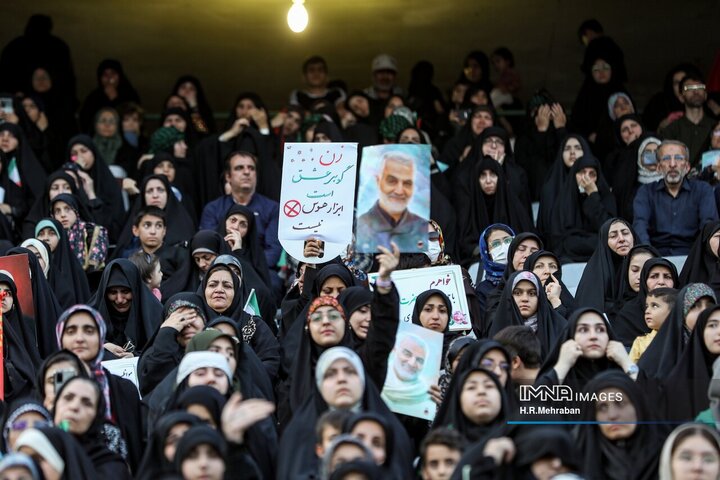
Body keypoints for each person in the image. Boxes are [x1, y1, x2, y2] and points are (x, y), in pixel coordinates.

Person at [199, 151, 282, 292]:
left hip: (259, 270)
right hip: (219, 267)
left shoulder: (272, 208)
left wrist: (246, 266)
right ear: (228, 176)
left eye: (251, 168)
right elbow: (208, 247)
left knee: (273, 282)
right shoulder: (213, 208)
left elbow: (273, 252)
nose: (246, 172)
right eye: (239, 168)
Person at [633, 140, 718, 255]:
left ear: (687, 167)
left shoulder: (702, 190)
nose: (672, 164)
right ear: (658, 167)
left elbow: (708, 227)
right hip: (656, 258)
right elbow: (640, 226)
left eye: (678, 158)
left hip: (693, 258)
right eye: (666, 158)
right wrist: (648, 257)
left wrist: (699, 258)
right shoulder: (646, 192)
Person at [576, 371, 664, 480]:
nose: (612, 415)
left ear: (638, 406)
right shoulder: (576, 461)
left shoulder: (669, 454)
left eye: (620, 403)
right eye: (602, 408)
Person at [52, 376, 131, 478]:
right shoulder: (35, 451)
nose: (74, 407)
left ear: (97, 416)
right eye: (68, 398)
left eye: (87, 403)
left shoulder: (112, 468)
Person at [638, 283, 716, 380]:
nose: (704, 311)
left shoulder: (716, 347)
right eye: (695, 306)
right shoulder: (660, 355)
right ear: (682, 312)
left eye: (710, 306)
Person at [355, 150, 428, 252]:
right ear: (378, 181)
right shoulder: (359, 227)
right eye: (392, 181)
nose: (399, 191)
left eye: (407, 183)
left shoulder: (423, 227)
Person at [549, 154, 617, 262]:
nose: (587, 178)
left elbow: (609, 231)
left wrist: (593, 196)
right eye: (582, 173)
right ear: (574, 175)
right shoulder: (564, 199)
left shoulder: (606, 197)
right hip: (570, 257)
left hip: (600, 256)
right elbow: (558, 239)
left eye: (592, 174)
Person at [574, 218, 635, 312]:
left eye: (625, 233)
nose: (621, 239)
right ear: (604, 242)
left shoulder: (646, 262)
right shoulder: (594, 272)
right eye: (613, 236)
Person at [661, 73, 716, 166]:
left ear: (706, 95)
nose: (696, 91)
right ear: (681, 97)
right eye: (689, 88)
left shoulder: (716, 127)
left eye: (700, 87)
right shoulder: (670, 130)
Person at [50, 193, 108, 271]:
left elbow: (95, 267)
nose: (63, 215)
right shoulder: (51, 235)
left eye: (67, 209)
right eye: (57, 211)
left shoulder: (93, 231)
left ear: (76, 210)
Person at [381, 333, 432, 417]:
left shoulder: (427, 395)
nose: (412, 363)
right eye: (407, 354)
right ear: (395, 350)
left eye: (419, 360)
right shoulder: (377, 377)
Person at [630, 287, 677, 363]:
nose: (647, 311)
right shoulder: (640, 342)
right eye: (647, 306)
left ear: (673, 311)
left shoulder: (682, 339)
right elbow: (630, 369)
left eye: (654, 306)